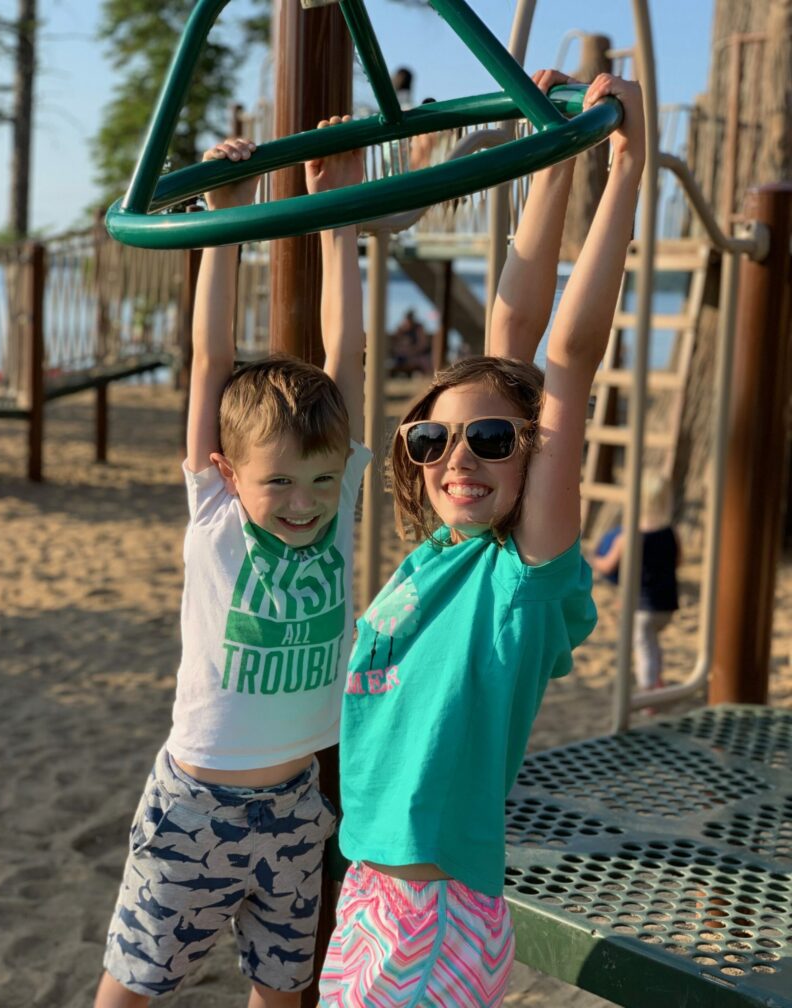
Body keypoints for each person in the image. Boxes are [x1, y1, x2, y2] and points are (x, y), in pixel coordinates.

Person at [318, 70, 645, 1007]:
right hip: (372, 887)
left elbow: (563, 364)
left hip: (434, 912)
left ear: (529, 456)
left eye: (493, 439)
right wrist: (553, 157)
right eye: (433, 438)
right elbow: (509, 328)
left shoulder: (518, 577)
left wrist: (622, 166)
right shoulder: (433, 561)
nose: (459, 456)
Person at [94, 122, 370, 1008]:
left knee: (285, 989)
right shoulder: (215, 513)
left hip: (294, 806)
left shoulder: (338, 503)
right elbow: (211, 362)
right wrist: (228, 219)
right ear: (225, 472)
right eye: (279, 480)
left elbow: (345, 359)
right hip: (195, 804)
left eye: (322, 479)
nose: (303, 500)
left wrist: (340, 219)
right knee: (134, 987)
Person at [592, 471, 682, 691]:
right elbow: (678, 562)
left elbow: (608, 565)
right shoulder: (672, 533)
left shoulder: (627, 537)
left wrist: (595, 558)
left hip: (642, 607)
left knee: (643, 647)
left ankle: (649, 687)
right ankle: (658, 679)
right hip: (667, 605)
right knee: (652, 643)